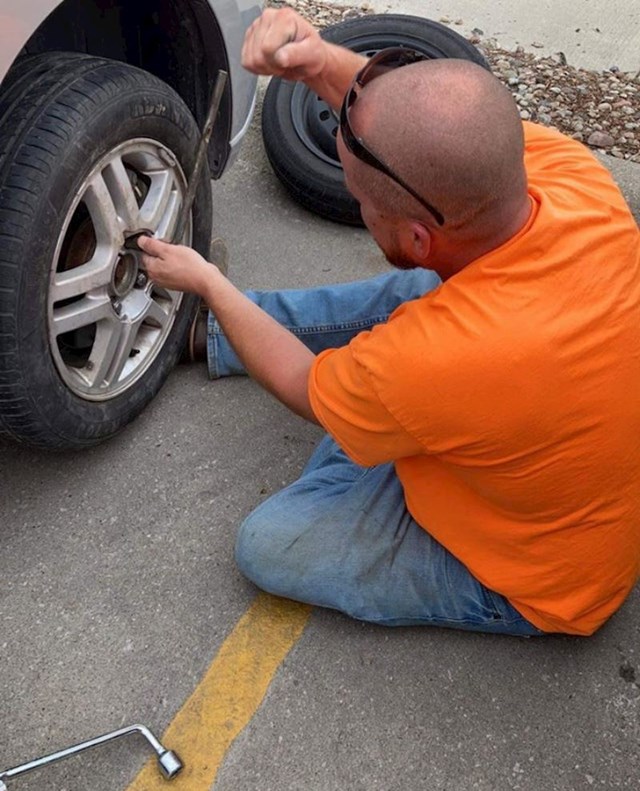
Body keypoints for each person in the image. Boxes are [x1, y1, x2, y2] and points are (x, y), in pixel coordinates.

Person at [139, 7, 640, 637]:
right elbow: (408, 120)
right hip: (561, 458)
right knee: (412, 301)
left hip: (547, 581)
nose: (353, 200)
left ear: (418, 235)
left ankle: (368, 413)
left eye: (360, 198)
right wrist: (318, 60)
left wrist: (210, 283)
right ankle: (281, 365)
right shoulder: (573, 178)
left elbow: (302, 386)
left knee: (269, 543)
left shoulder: (442, 358)